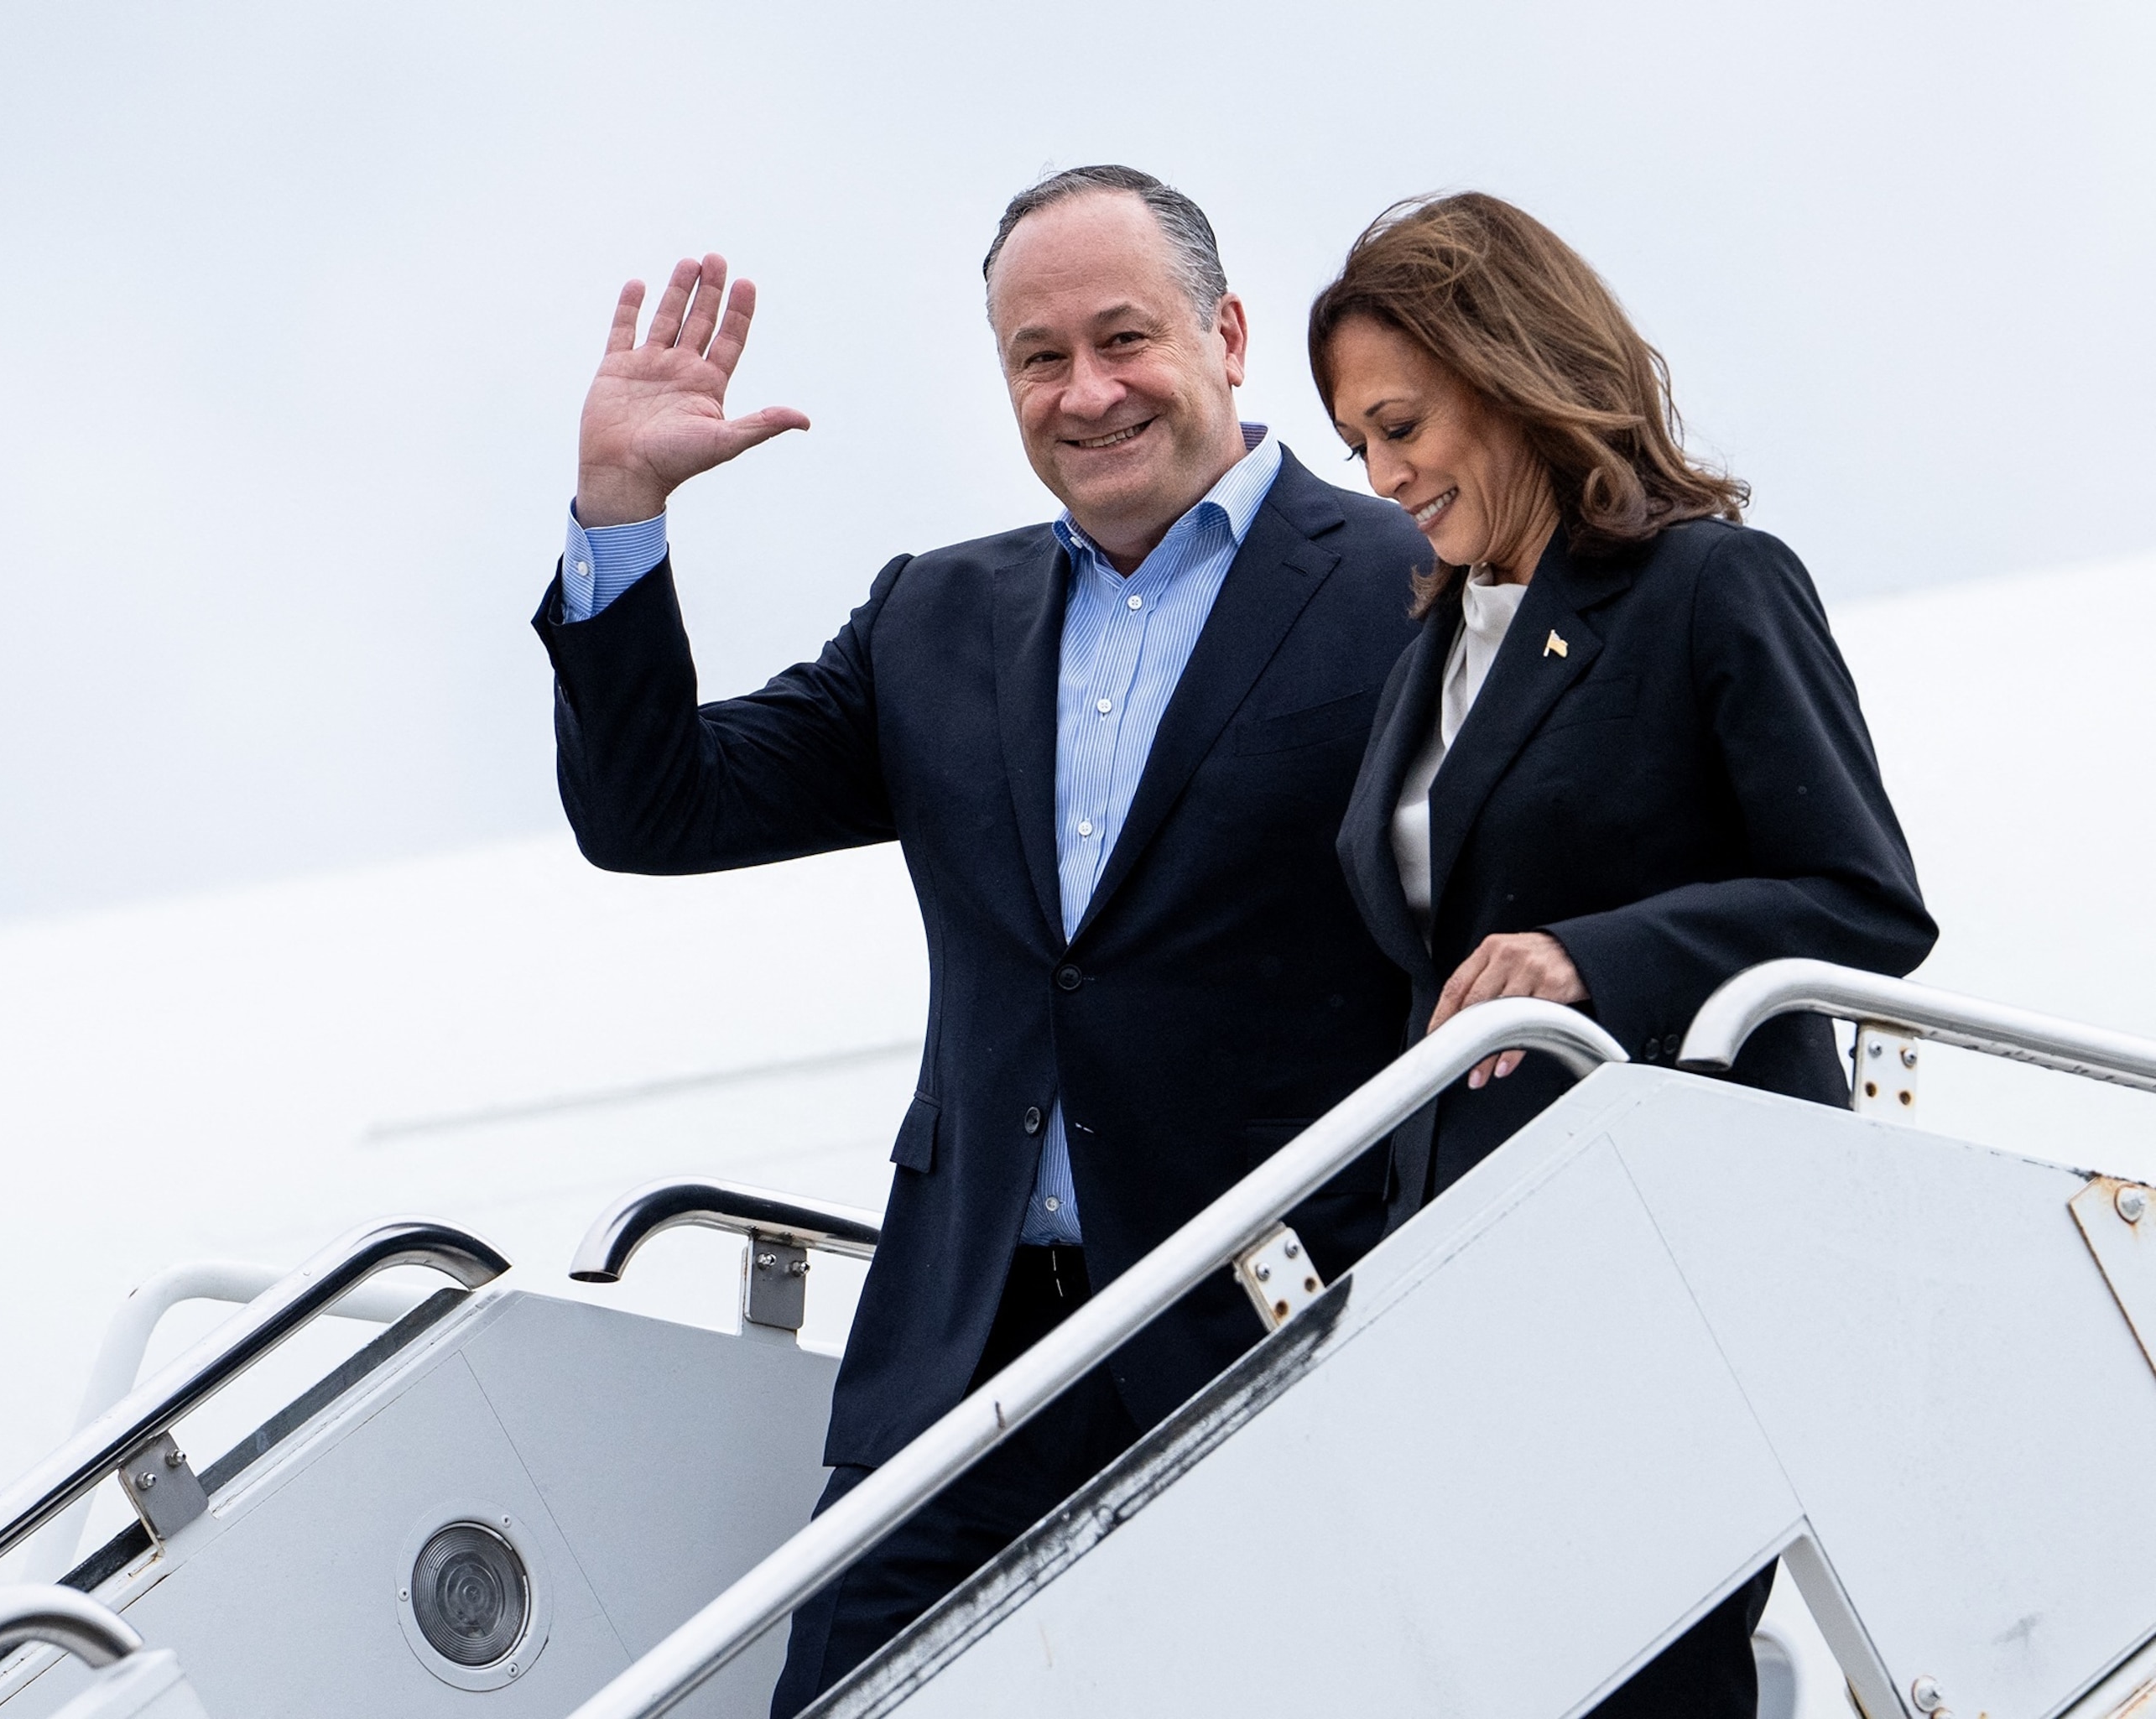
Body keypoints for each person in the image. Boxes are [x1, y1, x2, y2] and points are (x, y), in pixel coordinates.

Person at [532, 165, 1430, 1711]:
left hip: (1275, 1322)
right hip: (963, 1357)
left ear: (1225, 336)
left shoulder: (1407, 584)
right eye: (1038, 356)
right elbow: (656, 809)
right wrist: (621, 514)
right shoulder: (935, 618)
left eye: (1123, 338)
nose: (1086, 392)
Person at [1313, 191, 1938, 1716]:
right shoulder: (1432, 646)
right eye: (1359, 447)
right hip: (1464, 1258)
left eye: (1405, 427)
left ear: (1514, 373)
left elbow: (1865, 901)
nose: (1386, 477)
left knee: (1643, 1670)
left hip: (1665, 1246)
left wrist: (1595, 957)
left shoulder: (1712, 587)